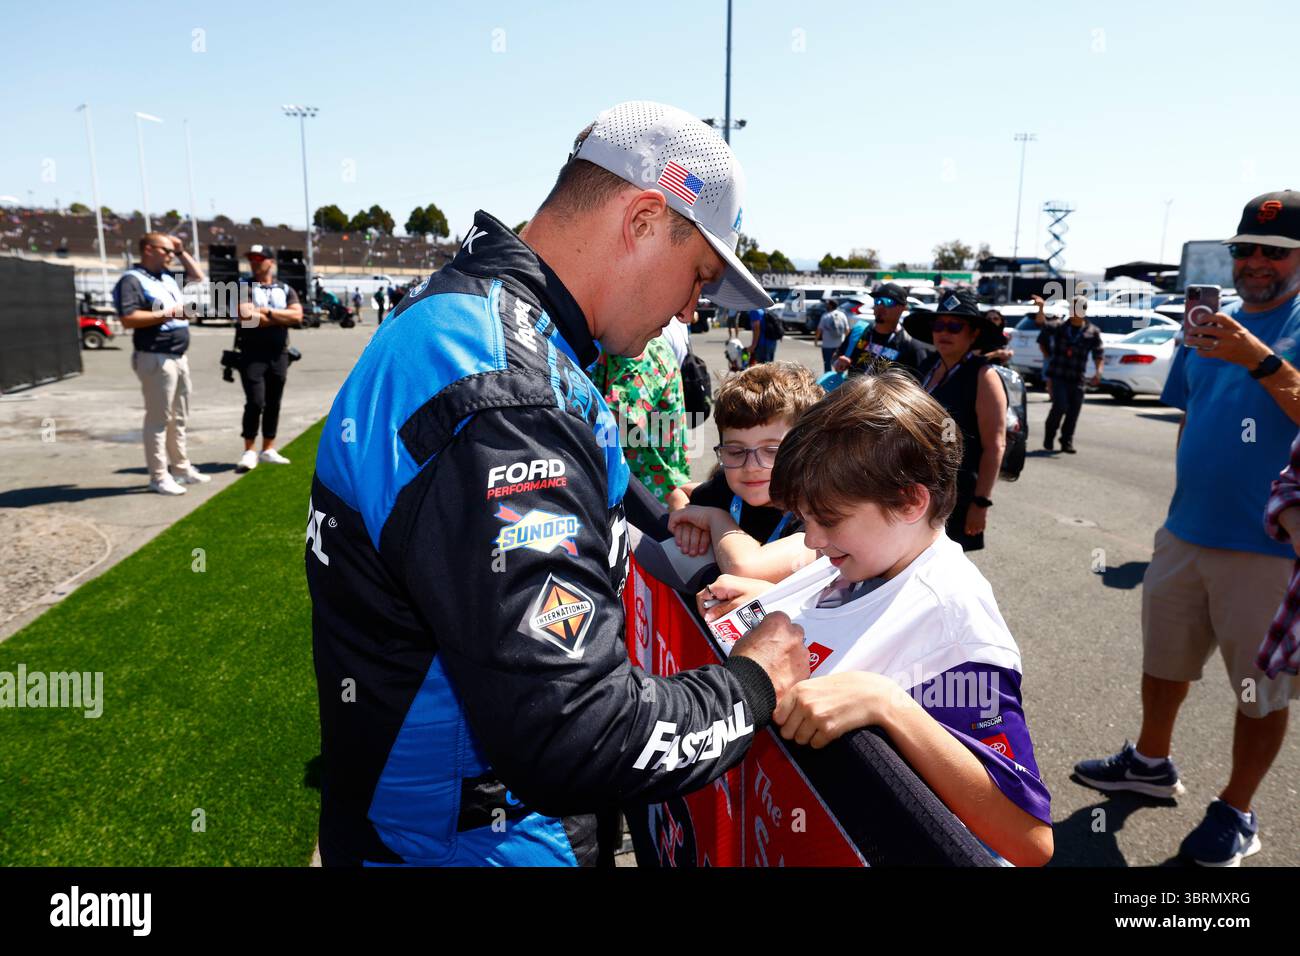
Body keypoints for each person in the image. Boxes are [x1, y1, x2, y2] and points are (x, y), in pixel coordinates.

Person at [305, 100, 808, 867]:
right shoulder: (515, 393)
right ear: (643, 219)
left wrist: (669, 549)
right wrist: (753, 685)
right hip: (471, 845)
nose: (689, 309)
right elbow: (576, 735)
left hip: (410, 822)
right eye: (697, 276)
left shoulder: (465, 314)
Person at [698, 372, 1054, 866]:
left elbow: (1029, 840)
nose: (813, 541)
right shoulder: (863, 556)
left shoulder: (952, 622)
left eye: (829, 519)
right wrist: (767, 596)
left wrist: (888, 705)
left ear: (909, 500)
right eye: (806, 519)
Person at [1074, 190, 1300, 867]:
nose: (1255, 261)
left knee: (1259, 689)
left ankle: (1237, 807)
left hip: (1269, 548)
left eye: (1274, 251)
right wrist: (1176, 513)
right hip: (1188, 533)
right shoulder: (1210, 325)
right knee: (1164, 661)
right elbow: (1188, 419)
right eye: (1243, 250)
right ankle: (1149, 761)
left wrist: (1259, 359)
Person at [668, 362, 821, 582]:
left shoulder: (818, 516)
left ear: (807, 450)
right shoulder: (727, 488)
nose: (750, 467)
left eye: (771, 450)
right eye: (735, 451)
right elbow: (681, 493)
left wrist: (713, 519)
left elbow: (745, 568)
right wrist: (686, 523)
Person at [904, 288, 1007, 551]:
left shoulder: (984, 376)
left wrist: (980, 503)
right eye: (939, 325)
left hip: (957, 497)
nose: (944, 332)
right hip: (915, 488)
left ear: (973, 334)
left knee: (943, 570)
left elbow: (995, 446)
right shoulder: (927, 366)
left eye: (954, 326)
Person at [112, 232, 209, 495]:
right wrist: (169, 314)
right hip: (155, 355)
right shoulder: (132, 279)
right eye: (166, 250)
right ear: (148, 249)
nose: (170, 255)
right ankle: (158, 475)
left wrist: (181, 251)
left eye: (171, 251)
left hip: (177, 355)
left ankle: (180, 466)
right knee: (158, 419)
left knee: (178, 417)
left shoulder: (166, 276)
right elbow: (128, 317)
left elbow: (198, 277)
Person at [590, 333, 690, 508]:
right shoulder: (633, 343)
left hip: (649, 497)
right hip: (656, 490)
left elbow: (622, 419)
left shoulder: (638, 350)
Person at [233, 245, 303, 473]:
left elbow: (298, 316)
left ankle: (268, 448)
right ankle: (249, 449)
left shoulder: (285, 288)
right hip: (252, 353)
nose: (255, 262)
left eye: (259, 258)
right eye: (252, 259)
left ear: (270, 262)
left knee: (274, 402)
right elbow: (246, 317)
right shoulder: (243, 286)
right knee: (255, 401)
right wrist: (280, 317)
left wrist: (266, 312)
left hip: (279, 354)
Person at [1036, 294, 1103, 453]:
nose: (1075, 311)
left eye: (1079, 307)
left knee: (1074, 410)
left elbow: (1098, 354)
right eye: (1072, 307)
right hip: (1058, 375)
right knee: (1059, 406)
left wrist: (1099, 372)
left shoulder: (1092, 331)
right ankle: (1049, 436)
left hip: (1078, 377)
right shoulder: (1059, 327)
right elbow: (1041, 325)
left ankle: (1066, 441)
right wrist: (1040, 308)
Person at [833, 282, 931, 381]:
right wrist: (838, 363)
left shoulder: (910, 346)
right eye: (877, 301)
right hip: (854, 394)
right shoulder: (859, 332)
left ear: (902, 308)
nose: (880, 306)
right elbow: (837, 357)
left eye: (888, 302)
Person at [817, 298, 849, 372]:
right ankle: (839, 380)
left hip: (827, 345)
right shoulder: (842, 315)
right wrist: (845, 341)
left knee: (827, 364)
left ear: (831, 306)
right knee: (840, 365)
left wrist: (816, 340)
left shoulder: (825, 316)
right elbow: (847, 330)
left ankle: (827, 381)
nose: (826, 306)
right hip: (840, 344)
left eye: (827, 304)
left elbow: (819, 329)